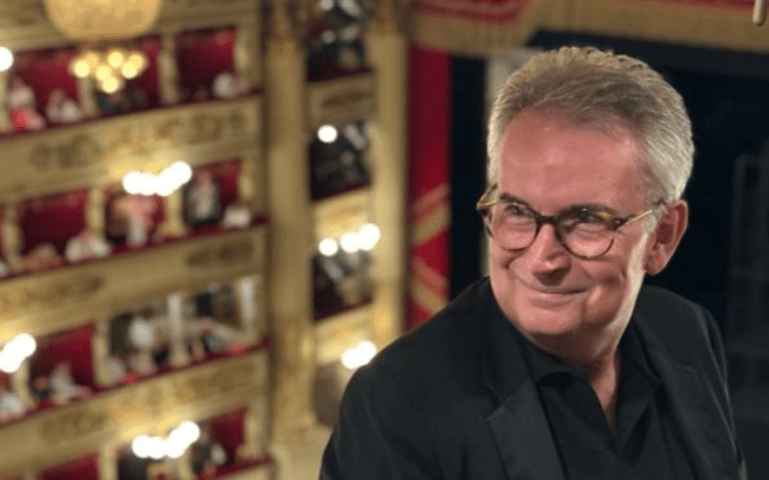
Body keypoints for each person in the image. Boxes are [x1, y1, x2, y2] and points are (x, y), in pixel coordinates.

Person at [320, 47, 747, 480]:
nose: (541, 260)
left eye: (586, 220)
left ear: (663, 235)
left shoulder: (686, 332)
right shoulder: (398, 405)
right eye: (517, 212)